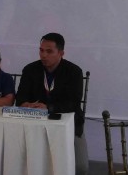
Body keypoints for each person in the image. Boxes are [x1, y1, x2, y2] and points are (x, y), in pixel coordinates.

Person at [15, 32, 89, 175]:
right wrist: (26, 104)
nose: (43, 55)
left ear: (61, 53)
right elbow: (20, 98)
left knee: (80, 167)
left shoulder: (74, 72)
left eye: (49, 51)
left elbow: (73, 103)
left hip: (68, 124)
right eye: (41, 50)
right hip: (35, 124)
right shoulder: (30, 69)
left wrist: (48, 108)